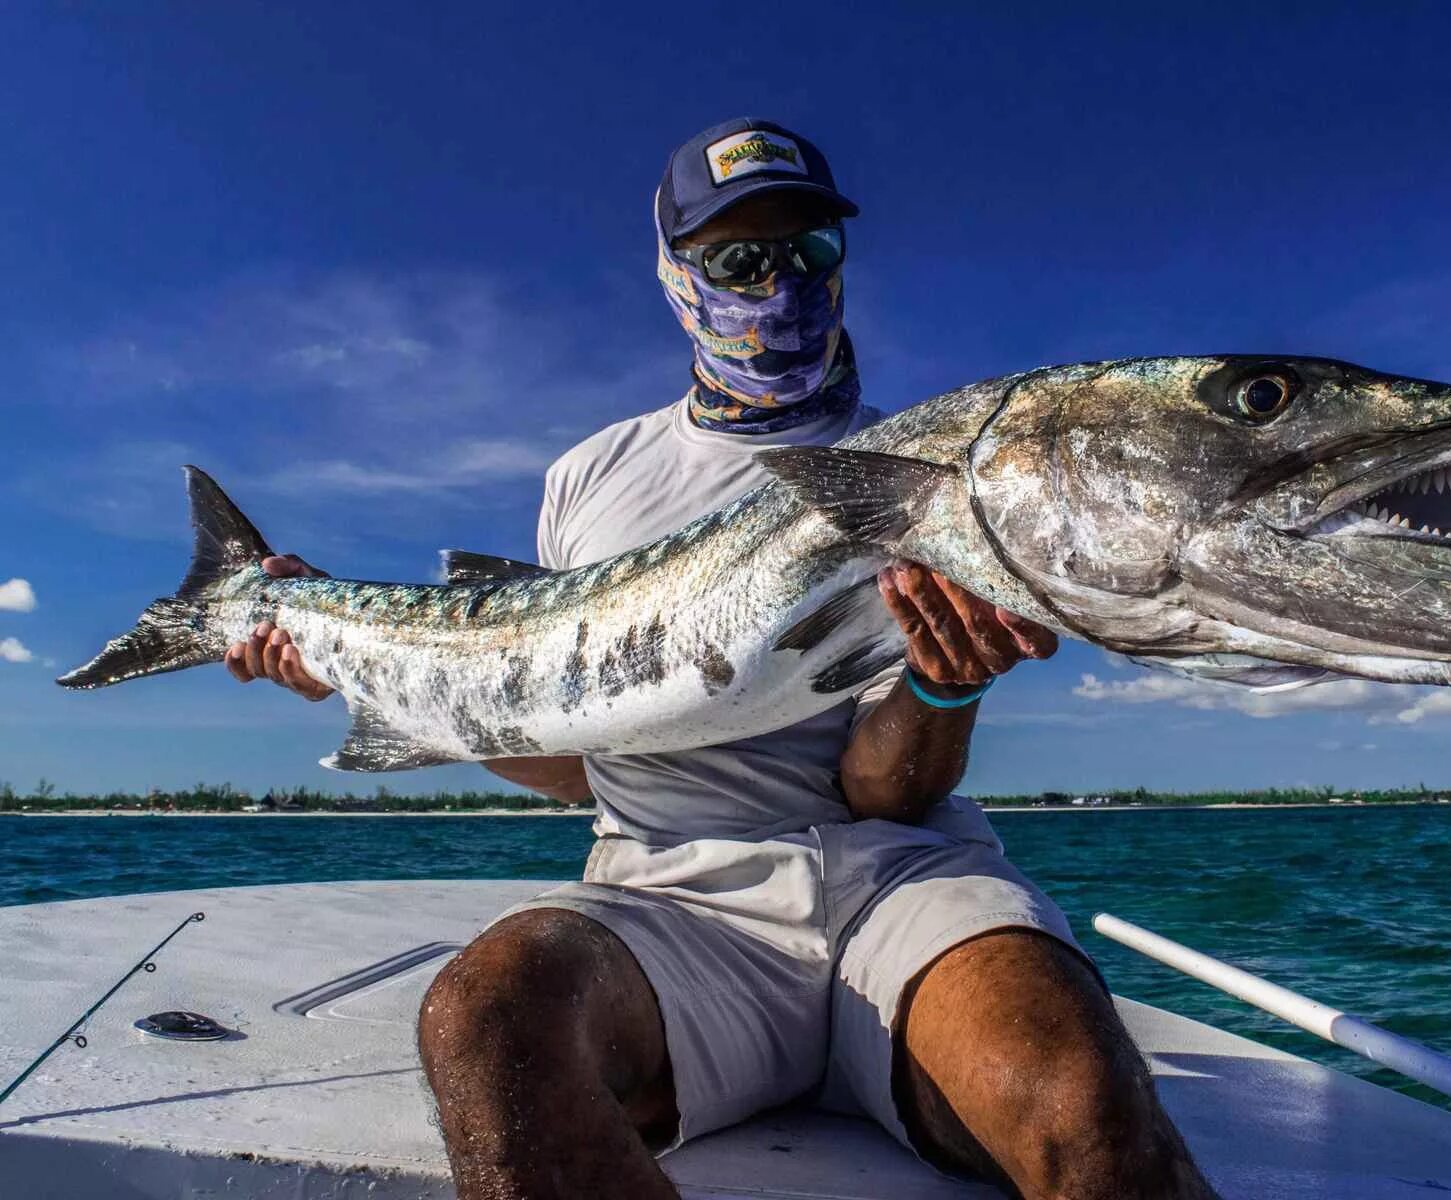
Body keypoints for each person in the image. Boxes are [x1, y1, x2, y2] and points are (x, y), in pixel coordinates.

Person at [225, 118, 1216, 1200]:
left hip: (902, 884)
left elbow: (884, 789)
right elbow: (579, 758)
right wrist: (363, 670)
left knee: (1087, 1112)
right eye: (738, 259)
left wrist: (946, 679)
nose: (780, 283)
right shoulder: (589, 480)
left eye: (810, 251)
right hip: (674, 904)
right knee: (485, 1024)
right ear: (673, 275)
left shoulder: (930, 469)